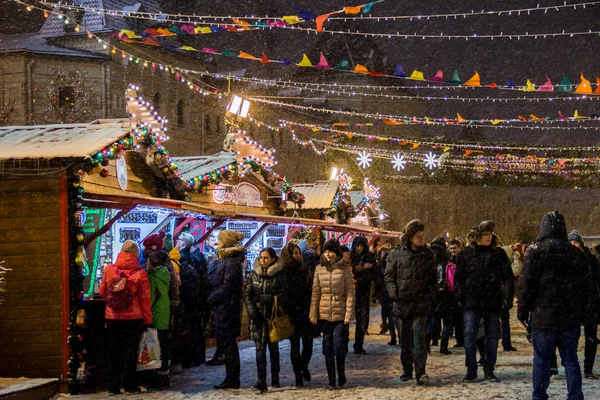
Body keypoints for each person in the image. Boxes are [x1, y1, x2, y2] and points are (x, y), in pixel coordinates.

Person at [518, 212, 591, 400]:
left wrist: (523, 311)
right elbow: (585, 287)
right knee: (570, 360)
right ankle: (575, 395)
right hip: (568, 317)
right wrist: (582, 312)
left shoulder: (535, 251)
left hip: (543, 317)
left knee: (541, 361)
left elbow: (526, 285)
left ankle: (539, 395)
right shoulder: (575, 253)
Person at [455, 221, 514, 383]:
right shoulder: (466, 254)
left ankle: (489, 368)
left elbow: (508, 277)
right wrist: (460, 298)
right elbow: (458, 278)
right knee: (469, 335)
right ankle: (471, 368)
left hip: (491, 301)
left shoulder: (498, 253)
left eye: (490, 234)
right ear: (477, 237)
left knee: (492, 337)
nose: (488, 237)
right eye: (485, 234)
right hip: (472, 301)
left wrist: (506, 298)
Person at [385, 219, 437, 386]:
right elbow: (389, 277)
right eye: (417, 235)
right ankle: (407, 369)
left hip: (420, 304)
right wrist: (395, 294)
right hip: (402, 304)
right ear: (410, 237)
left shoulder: (428, 255)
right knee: (405, 341)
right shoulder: (395, 254)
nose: (420, 238)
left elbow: (432, 278)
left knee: (419, 340)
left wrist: (431, 294)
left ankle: (420, 372)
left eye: (422, 235)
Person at [99, 241, 152, 395]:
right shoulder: (140, 273)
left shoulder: (109, 270)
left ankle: (112, 386)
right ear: (136, 254)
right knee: (130, 352)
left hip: (112, 317)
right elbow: (145, 299)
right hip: (133, 319)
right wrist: (147, 319)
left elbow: (103, 292)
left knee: (113, 351)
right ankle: (129, 385)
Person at [310, 239, 355, 390]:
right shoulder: (318, 269)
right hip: (324, 313)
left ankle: (341, 372)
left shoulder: (344, 269)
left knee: (338, 345)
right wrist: (313, 312)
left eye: (331, 251)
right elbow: (316, 292)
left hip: (340, 313)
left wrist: (349, 314)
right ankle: (331, 380)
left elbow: (350, 293)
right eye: (326, 251)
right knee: (327, 346)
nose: (328, 254)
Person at [244, 248, 288, 393]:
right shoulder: (253, 275)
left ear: (273, 259)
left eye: (266, 258)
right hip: (257, 317)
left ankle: (275, 377)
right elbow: (248, 295)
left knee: (273, 349)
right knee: (259, 350)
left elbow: (284, 295)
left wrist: (270, 299)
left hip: (272, 317)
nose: (263, 260)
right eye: (261, 257)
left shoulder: (279, 275)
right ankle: (261, 380)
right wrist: (252, 312)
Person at [207, 230, 246, 390]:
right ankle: (230, 377)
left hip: (227, 308)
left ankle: (232, 378)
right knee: (227, 344)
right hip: (224, 306)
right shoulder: (227, 259)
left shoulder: (232, 261)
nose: (218, 242)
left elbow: (227, 286)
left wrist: (211, 299)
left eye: (220, 239)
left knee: (229, 345)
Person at [568, 230, 600, 379]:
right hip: (574, 304)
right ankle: (571, 366)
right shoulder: (565, 260)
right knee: (572, 337)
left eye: (576, 242)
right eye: (571, 242)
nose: (574, 245)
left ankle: (588, 369)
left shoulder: (591, 260)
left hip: (590, 303)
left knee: (591, 338)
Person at [281, 242, 314, 387]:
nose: (298, 256)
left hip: (305, 310)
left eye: (299, 253)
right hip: (292, 312)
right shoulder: (284, 271)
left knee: (308, 344)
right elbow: (284, 293)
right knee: (294, 345)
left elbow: (310, 287)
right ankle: (298, 376)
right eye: (295, 253)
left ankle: (303, 365)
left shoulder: (304, 269)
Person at [176, 232, 211, 367]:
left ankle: (189, 358)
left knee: (189, 329)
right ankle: (198, 357)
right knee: (196, 328)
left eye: (179, 240)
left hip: (188, 300)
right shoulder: (197, 258)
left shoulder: (182, 259)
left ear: (184, 243)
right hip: (197, 301)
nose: (177, 242)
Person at [146, 251, 172, 388]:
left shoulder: (152, 277)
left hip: (155, 314)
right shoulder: (166, 274)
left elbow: (150, 298)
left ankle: (155, 378)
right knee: (163, 346)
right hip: (164, 313)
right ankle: (164, 375)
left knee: (153, 347)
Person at [350, 236, 375, 354]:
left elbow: (373, 273)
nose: (358, 248)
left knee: (361, 319)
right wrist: (355, 269)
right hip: (350, 292)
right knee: (347, 319)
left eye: (360, 246)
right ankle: (343, 343)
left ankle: (358, 344)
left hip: (363, 292)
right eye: (357, 246)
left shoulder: (369, 257)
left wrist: (364, 270)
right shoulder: (351, 257)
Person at [447, 239, 464, 348]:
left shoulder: (462, 259)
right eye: (451, 248)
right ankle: (459, 339)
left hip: (461, 291)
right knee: (456, 318)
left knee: (462, 318)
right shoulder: (448, 260)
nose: (453, 250)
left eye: (455, 248)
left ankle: (462, 339)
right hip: (451, 293)